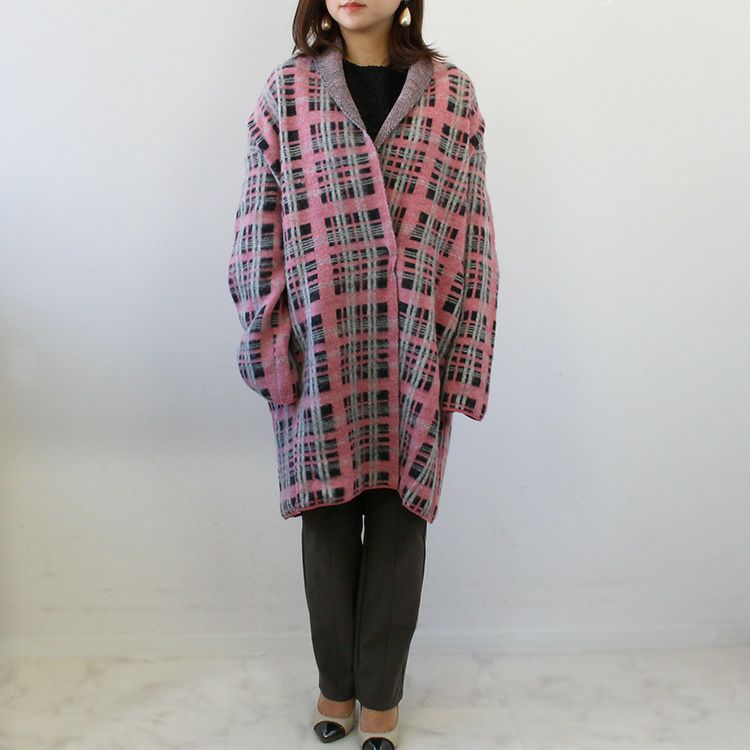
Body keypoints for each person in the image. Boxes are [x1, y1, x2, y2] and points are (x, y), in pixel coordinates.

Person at [227, 1, 499, 747]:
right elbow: (258, 221)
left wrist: (465, 352)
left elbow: (472, 229)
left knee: (402, 522)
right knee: (326, 517)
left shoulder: (451, 94)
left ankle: (381, 695)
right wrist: (267, 333)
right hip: (320, 344)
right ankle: (335, 686)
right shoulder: (288, 90)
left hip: (415, 347)